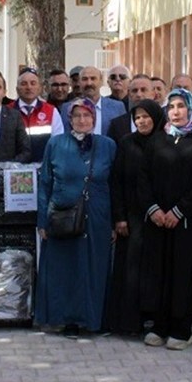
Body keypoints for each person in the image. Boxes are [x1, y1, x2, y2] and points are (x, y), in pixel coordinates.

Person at [137, 89, 192, 350]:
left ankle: (182, 330)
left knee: (181, 274)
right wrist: (154, 209)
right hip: (158, 222)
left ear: (191, 109)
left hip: (186, 223)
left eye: (182, 106)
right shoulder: (157, 141)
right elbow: (143, 178)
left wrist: (179, 211)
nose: (176, 111)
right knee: (159, 273)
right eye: (171, 107)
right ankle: (159, 326)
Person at [35, 99, 117, 336]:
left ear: (94, 118)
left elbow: (115, 184)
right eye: (77, 116)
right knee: (66, 269)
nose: (82, 120)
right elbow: (45, 183)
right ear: (69, 119)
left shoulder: (108, 145)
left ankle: (94, 320)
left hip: (98, 217)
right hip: (63, 216)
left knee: (94, 269)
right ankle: (69, 320)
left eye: (87, 115)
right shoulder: (56, 143)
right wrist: (43, 220)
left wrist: (114, 221)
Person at [108, 99, 164, 336]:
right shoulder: (127, 143)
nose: (141, 121)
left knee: (154, 271)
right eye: (137, 117)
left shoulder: (165, 142)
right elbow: (117, 181)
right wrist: (119, 217)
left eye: (146, 116)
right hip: (130, 218)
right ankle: (129, 322)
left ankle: (153, 318)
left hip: (158, 219)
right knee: (130, 271)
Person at [10, 67, 63, 163]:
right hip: (15, 169)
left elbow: (58, 144)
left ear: (40, 88)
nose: (29, 87)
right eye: (23, 84)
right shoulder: (7, 111)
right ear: (17, 89)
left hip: (43, 168)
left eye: (33, 83)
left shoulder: (51, 111)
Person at [65, 67, 124, 135]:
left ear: (101, 81)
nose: (89, 83)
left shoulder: (117, 107)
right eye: (84, 79)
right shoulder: (67, 108)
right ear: (79, 82)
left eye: (93, 79)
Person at [105, 75, 154, 141]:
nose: (138, 94)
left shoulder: (163, 121)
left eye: (143, 90)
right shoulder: (117, 125)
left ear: (153, 94)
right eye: (134, 91)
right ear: (129, 95)